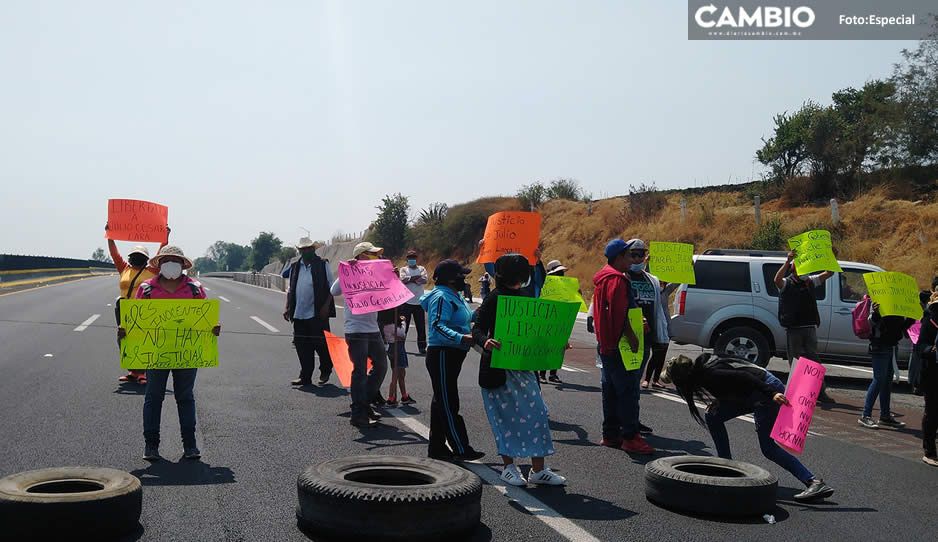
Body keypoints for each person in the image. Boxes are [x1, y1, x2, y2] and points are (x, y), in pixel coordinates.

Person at [660, 354, 835, 502]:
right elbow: (734, 387)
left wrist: (772, 393)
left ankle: (813, 482)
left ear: (684, 379)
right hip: (751, 392)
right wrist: (720, 402)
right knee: (713, 416)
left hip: (765, 391)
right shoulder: (700, 374)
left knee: (768, 448)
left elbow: (745, 378)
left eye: (675, 381)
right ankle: (726, 467)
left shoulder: (710, 375)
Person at [117, 245, 220, 461]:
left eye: (175, 260)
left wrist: (213, 327)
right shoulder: (146, 290)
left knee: (185, 396)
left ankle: (190, 445)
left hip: (187, 352)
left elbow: (205, 318)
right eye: (167, 260)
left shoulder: (195, 289)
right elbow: (136, 321)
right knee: (154, 397)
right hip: (155, 352)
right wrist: (126, 330)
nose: (171, 263)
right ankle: (151, 445)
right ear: (159, 264)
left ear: (183, 265)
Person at [473, 254, 566, 486]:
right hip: (498, 369)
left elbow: (536, 334)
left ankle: (538, 470)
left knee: (537, 415)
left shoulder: (526, 297)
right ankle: (509, 467)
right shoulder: (494, 298)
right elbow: (477, 328)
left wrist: (557, 342)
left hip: (524, 368)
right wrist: (485, 341)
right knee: (504, 418)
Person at [420, 260, 485, 461]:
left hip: (453, 353)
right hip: (442, 353)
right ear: (450, 278)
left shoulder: (453, 295)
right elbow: (438, 325)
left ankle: (437, 447)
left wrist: (481, 313)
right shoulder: (440, 297)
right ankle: (460, 447)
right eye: (460, 276)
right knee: (448, 402)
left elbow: (464, 318)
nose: (463, 279)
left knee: (441, 400)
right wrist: (461, 337)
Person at [593, 239, 650, 454]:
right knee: (627, 392)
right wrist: (632, 336)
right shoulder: (617, 280)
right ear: (619, 257)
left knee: (610, 391)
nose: (633, 260)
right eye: (629, 255)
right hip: (620, 347)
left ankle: (610, 435)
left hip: (606, 345)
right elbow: (619, 313)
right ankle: (630, 437)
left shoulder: (603, 278)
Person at [330, 242, 390, 428]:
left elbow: (388, 291)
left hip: (373, 328)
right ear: (360, 256)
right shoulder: (350, 271)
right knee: (360, 371)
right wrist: (347, 270)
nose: (374, 257)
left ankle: (364, 402)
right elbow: (334, 291)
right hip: (356, 329)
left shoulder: (375, 272)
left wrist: (392, 276)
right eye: (370, 254)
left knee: (381, 366)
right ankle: (359, 412)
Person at [107, 224, 168, 385]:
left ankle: (144, 372)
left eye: (140, 255)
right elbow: (114, 254)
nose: (137, 257)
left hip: (144, 309)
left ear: (146, 259)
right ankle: (133, 371)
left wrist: (165, 236)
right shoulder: (124, 269)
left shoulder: (152, 271)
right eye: (134, 255)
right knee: (124, 338)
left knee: (144, 339)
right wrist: (110, 235)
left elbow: (160, 252)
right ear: (130, 257)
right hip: (124, 309)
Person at [773, 251, 834, 400]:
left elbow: (830, 272)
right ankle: (795, 393)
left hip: (809, 328)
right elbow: (777, 280)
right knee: (796, 363)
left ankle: (820, 392)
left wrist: (828, 256)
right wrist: (787, 261)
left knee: (814, 363)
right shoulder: (787, 282)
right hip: (794, 330)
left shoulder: (810, 281)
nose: (804, 270)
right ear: (793, 268)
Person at [622, 239, 667, 434]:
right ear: (626, 255)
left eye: (641, 254)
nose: (638, 258)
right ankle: (619, 422)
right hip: (624, 338)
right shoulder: (621, 277)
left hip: (645, 339)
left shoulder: (653, 280)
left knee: (634, 384)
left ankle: (632, 420)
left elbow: (659, 306)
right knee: (623, 383)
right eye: (634, 254)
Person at [283, 237, 336, 387]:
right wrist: (287, 307)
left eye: (308, 249)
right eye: (303, 249)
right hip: (298, 312)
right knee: (301, 345)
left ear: (313, 249)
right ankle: (305, 376)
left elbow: (332, 287)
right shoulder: (295, 266)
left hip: (317, 312)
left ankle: (326, 369)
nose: (305, 251)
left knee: (321, 344)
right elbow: (290, 289)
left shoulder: (322, 264)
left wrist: (326, 305)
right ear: (299, 251)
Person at [858, 301, 915, 429]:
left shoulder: (897, 304)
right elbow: (870, 323)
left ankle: (885, 416)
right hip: (880, 345)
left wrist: (912, 317)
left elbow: (902, 327)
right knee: (879, 379)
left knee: (886, 381)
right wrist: (876, 313)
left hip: (892, 345)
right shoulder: (879, 299)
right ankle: (865, 415)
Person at [538, 259, 569, 384]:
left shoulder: (566, 286)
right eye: (558, 273)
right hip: (547, 320)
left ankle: (553, 374)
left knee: (559, 347)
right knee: (545, 348)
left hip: (560, 320)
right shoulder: (545, 285)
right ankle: (542, 373)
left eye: (562, 272)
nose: (561, 275)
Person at [643, 281, 679, 389]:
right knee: (655, 354)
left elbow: (678, 281)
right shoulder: (650, 290)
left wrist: (689, 267)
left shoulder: (666, 291)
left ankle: (655, 380)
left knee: (662, 355)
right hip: (655, 326)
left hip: (666, 326)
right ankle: (646, 379)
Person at [379, 308, 414, 407]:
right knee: (396, 374)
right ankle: (391, 397)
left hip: (391, 348)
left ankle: (404, 395)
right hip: (397, 348)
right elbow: (402, 334)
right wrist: (403, 321)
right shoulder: (392, 326)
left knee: (401, 373)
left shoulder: (383, 325)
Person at [399, 250, 429, 355]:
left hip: (419, 302)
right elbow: (403, 279)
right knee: (403, 326)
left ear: (417, 258)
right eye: (410, 257)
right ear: (407, 259)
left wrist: (410, 279)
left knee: (421, 327)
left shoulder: (422, 268)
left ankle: (422, 347)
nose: (412, 259)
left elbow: (424, 280)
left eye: (414, 257)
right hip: (406, 302)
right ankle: (400, 346)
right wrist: (415, 278)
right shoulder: (403, 269)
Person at [921, 289, 938, 466]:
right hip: (932, 372)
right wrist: (931, 350)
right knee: (933, 411)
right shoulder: (930, 320)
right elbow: (921, 346)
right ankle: (930, 451)